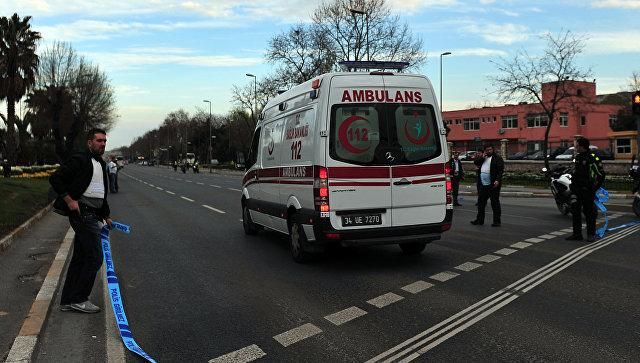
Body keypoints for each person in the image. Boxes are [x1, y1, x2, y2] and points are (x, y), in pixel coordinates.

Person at [49, 128, 113, 314]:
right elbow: (56, 178)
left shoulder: (100, 163)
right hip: (83, 213)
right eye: (99, 140)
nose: (102, 144)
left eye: (104, 141)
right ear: (89, 142)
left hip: (94, 213)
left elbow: (100, 191)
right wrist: (69, 201)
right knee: (94, 257)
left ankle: (68, 300)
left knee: (80, 257)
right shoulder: (80, 159)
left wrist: (106, 215)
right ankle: (79, 299)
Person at [566, 137, 605, 242]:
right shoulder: (578, 157)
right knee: (575, 212)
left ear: (581, 146)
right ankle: (577, 234)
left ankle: (591, 235)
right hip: (576, 190)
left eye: (576, 146)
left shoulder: (592, 158)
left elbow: (601, 175)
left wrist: (593, 188)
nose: (575, 148)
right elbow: (575, 171)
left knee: (589, 214)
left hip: (587, 191)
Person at [471, 144, 504, 227]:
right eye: (487, 150)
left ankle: (497, 221)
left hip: (493, 184)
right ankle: (479, 220)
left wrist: (497, 180)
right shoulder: (483, 158)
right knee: (481, 203)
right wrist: (482, 157)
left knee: (494, 203)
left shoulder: (497, 158)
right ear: (485, 151)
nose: (489, 151)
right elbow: (475, 162)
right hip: (483, 184)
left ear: (493, 149)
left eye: (490, 149)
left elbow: (500, 171)